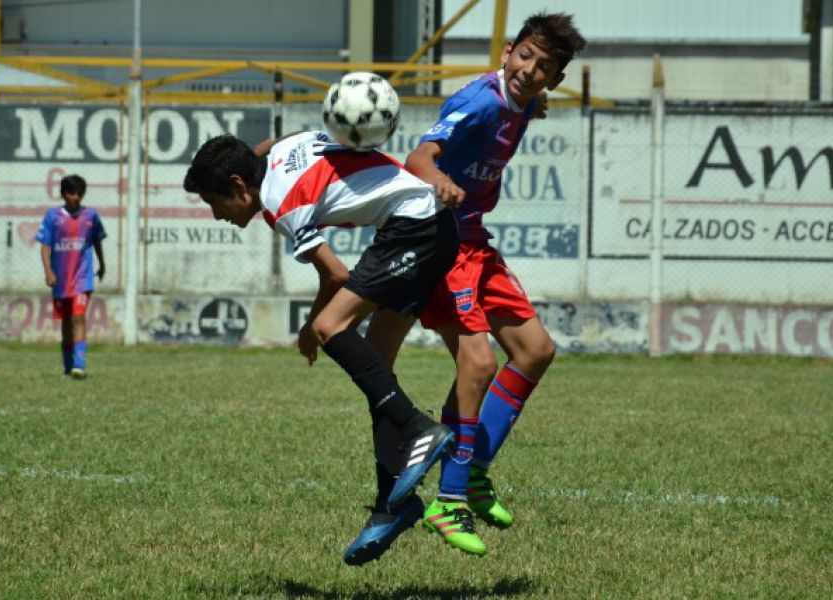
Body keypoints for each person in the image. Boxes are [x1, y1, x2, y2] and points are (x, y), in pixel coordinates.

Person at [182, 131, 460, 566]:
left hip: (415, 229)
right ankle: (393, 506)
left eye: (214, 203)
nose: (217, 215)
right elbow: (270, 143)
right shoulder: (273, 156)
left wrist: (312, 328)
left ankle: (419, 430)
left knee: (331, 325)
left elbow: (335, 276)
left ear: (239, 185)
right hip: (431, 226)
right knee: (377, 367)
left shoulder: (280, 205)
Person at [369, 11, 587, 556]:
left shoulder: (524, 100)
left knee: (535, 350)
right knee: (480, 362)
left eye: (544, 67)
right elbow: (419, 156)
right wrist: (439, 179)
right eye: (526, 56)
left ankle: (474, 471)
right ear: (509, 50)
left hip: (475, 242)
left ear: (554, 79)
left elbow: (529, 102)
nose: (530, 71)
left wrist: (535, 103)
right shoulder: (481, 102)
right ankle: (449, 497)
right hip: (442, 243)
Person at [35, 174, 107, 380]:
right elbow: (45, 245)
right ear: (64, 194)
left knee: (78, 317)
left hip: (83, 278)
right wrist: (48, 271)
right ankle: (68, 367)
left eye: (80, 193)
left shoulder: (91, 216)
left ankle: (79, 365)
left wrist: (102, 264)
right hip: (61, 279)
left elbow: (97, 242)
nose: (76, 197)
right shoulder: (53, 217)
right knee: (66, 321)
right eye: (72, 193)